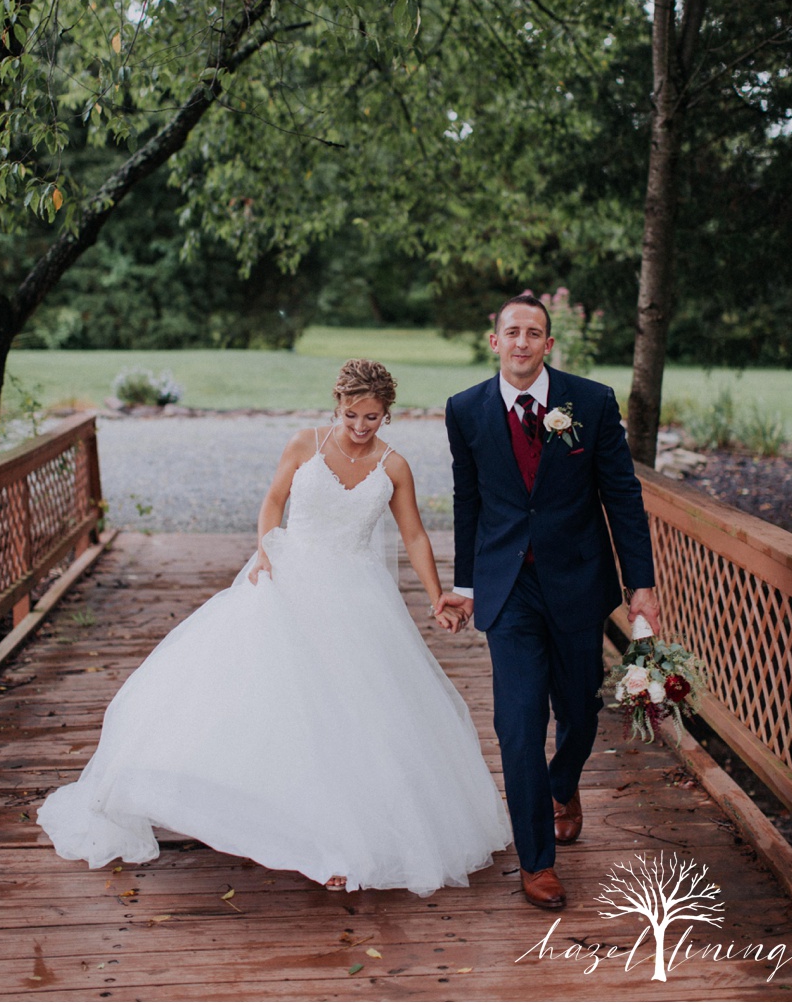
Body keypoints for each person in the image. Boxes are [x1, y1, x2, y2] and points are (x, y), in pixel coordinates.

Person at [36, 359, 511, 896]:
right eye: (353, 414)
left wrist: (435, 596)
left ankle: (341, 839)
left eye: (373, 417)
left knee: (353, 718)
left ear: (386, 414)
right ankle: (257, 812)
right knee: (270, 703)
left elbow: (416, 536)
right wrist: (264, 551)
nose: (360, 427)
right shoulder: (303, 444)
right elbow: (272, 502)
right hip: (290, 578)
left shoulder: (394, 466)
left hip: (358, 599)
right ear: (337, 406)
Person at [443, 292, 656, 909]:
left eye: (534, 332)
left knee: (581, 712)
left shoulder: (589, 402)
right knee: (516, 724)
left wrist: (640, 585)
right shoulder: (466, 410)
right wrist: (465, 586)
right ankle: (537, 860)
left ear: (548, 344)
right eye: (512, 331)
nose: (522, 342)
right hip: (508, 590)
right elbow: (468, 501)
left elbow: (622, 495)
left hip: (577, 583)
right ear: (495, 340)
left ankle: (563, 783)